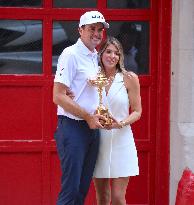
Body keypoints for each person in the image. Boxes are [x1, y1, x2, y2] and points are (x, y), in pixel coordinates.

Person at [53, 11, 109, 205]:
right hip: (73, 127)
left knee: (81, 190)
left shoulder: (95, 56)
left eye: (100, 29)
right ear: (80, 30)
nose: (97, 33)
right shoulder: (71, 54)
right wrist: (87, 116)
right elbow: (58, 95)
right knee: (70, 191)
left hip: (91, 129)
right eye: (92, 28)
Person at [93, 36, 142, 205]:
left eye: (117, 53)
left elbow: (137, 111)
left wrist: (121, 123)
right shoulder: (93, 78)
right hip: (97, 140)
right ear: (101, 54)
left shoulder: (129, 78)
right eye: (108, 51)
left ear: (121, 57)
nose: (112, 56)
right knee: (102, 198)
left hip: (122, 139)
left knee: (118, 199)